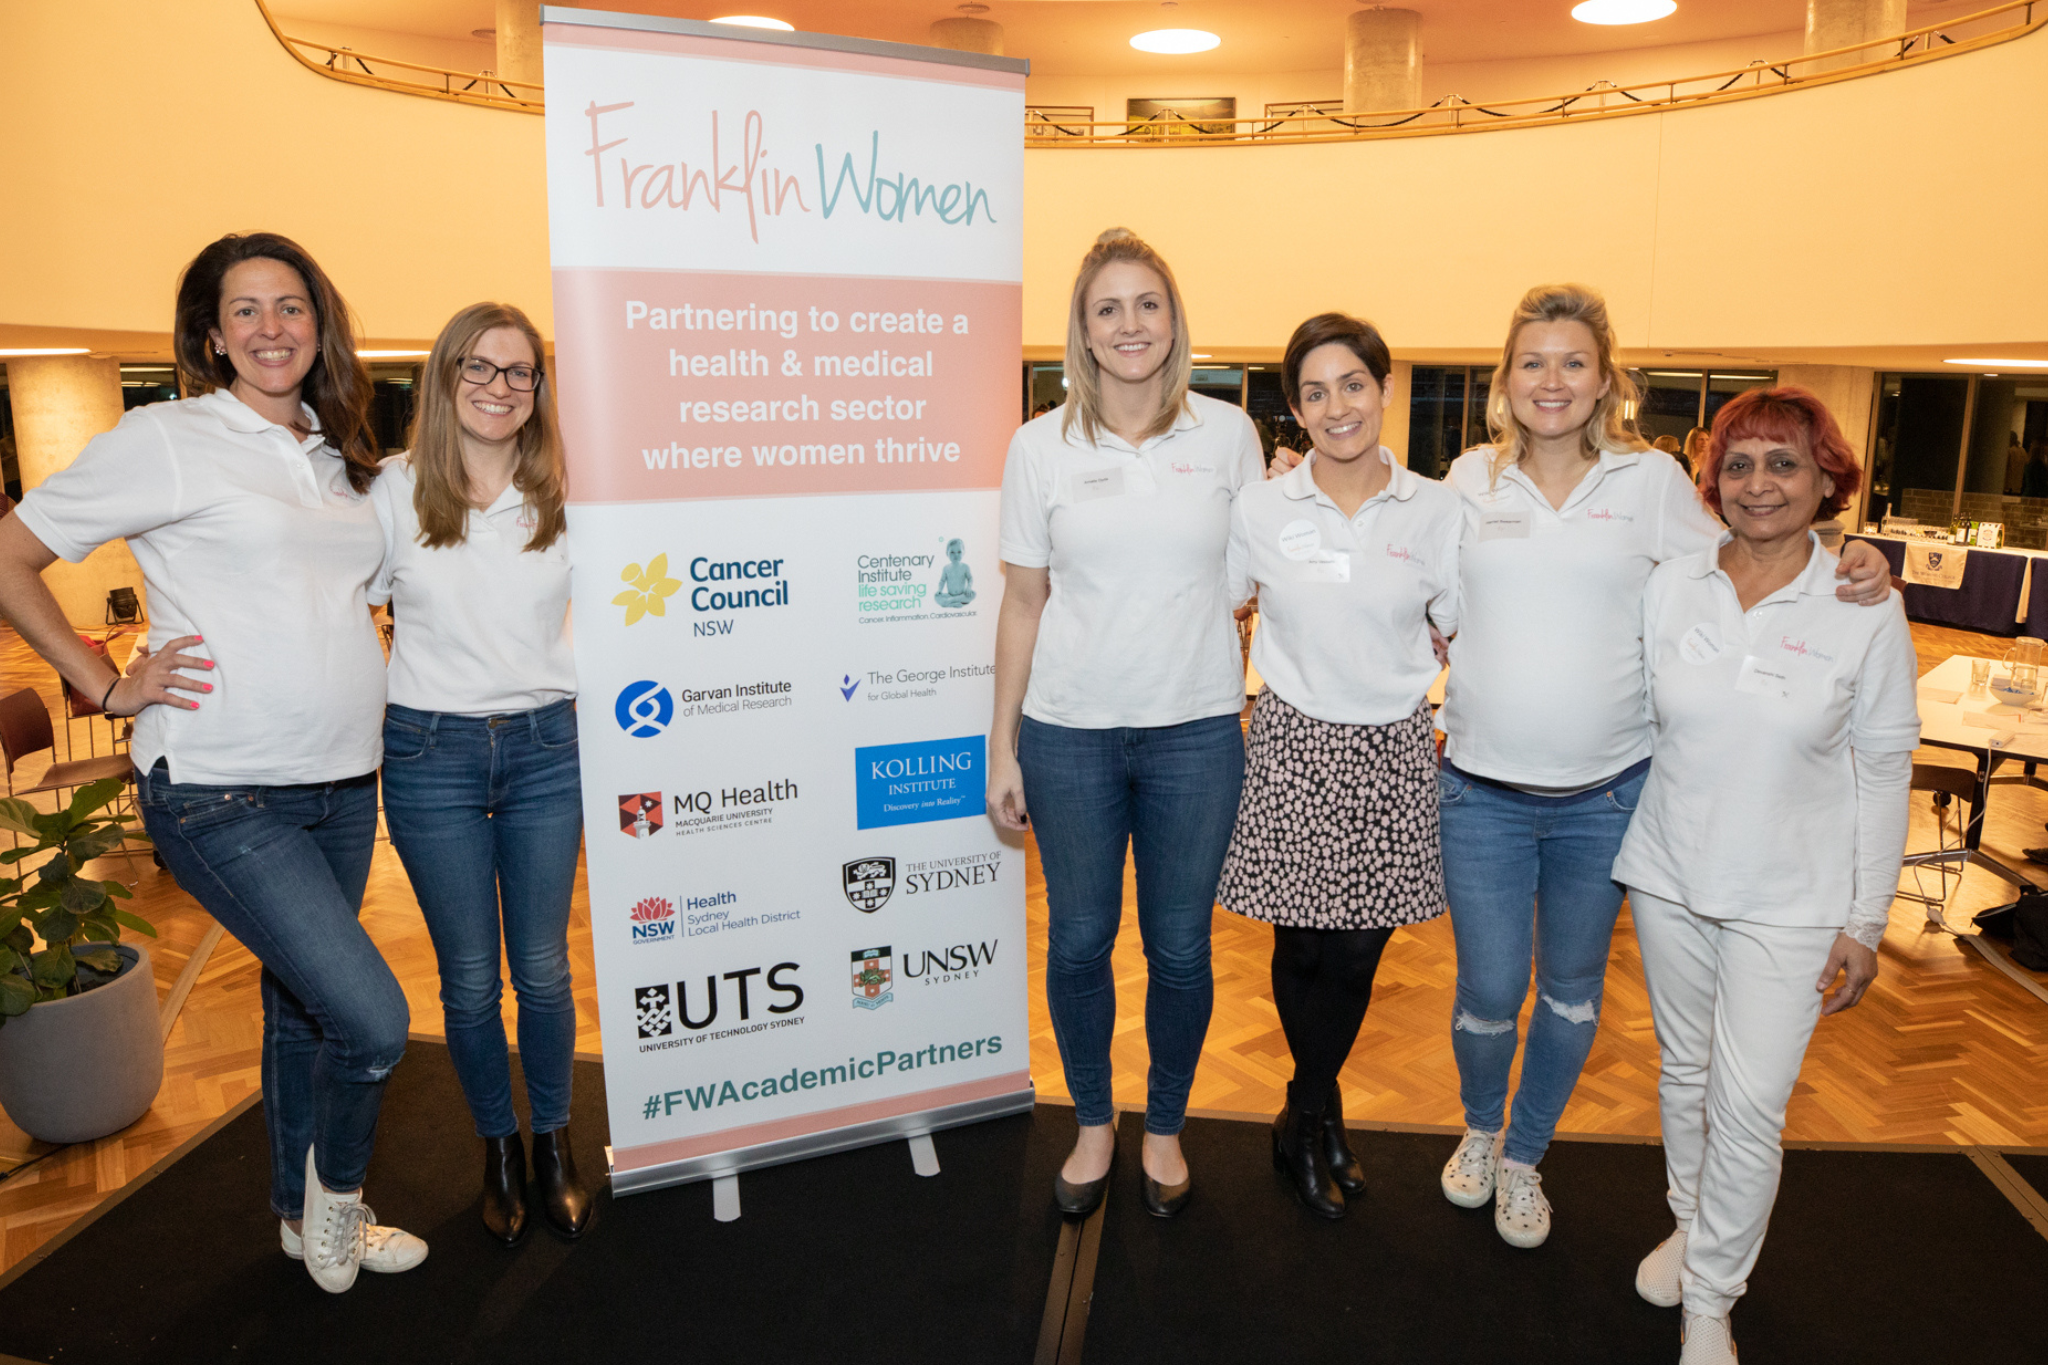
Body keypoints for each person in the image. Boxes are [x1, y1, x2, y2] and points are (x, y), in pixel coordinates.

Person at [1426, 285, 1894, 1249]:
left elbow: (1754, 543)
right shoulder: (1468, 480)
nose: (1552, 380)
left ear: (1606, 380)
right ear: (1506, 379)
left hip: (1605, 800)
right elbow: (1418, 587)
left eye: (1574, 362)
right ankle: (1479, 1127)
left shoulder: (1648, 484)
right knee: (1488, 991)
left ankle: (1525, 1155)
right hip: (1480, 793)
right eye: (1532, 362)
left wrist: (1853, 556)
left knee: (1569, 993)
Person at [0, 232, 424, 1293]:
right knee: (372, 1021)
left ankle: (293, 1213)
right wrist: (104, 685)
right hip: (220, 788)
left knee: (300, 1008)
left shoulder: (335, 451)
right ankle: (338, 1203)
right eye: (246, 310)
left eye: (292, 306)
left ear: (320, 325)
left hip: (342, 783)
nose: (272, 328)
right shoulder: (168, 438)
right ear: (211, 335)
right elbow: (10, 556)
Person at [1614, 387, 1916, 1364]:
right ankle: (1689, 1223)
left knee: (1747, 1105)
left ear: (1827, 479)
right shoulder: (1673, 584)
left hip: (1791, 900)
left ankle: (1711, 1297)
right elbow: (1633, 707)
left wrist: (1865, 921)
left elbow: (1884, 768)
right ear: (1712, 481)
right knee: (1684, 1074)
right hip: (1668, 875)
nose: (1758, 484)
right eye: (1737, 465)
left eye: (1784, 463)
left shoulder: (1864, 605)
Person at [988, 227, 1264, 1219]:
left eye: (1147, 303)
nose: (1130, 323)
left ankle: (1166, 1127)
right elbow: (1022, 602)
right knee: (1078, 942)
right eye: (1108, 307)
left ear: (1173, 320)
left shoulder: (1229, 436)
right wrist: (1001, 745)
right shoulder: (1038, 447)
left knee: (1180, 949)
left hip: (1196, 734)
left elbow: (1251, 578)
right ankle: (1095, 1122)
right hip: (1069, 736)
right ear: (1084, 329)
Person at [1216, 313, 1460, 1218]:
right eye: (1314, 392)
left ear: (1385, 388)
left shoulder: (1437, 508)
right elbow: (1216, 602)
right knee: (1301, 944)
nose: (1337, 406)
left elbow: (1465, 618)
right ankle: (1317, 1116)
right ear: (1295, 407)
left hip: (1392, 746)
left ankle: (1304, 1110)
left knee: (1358, 952)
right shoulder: (1262, 508)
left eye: (1353, 384)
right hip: (1292, 741)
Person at [370, 302, 590, 1245]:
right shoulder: (392, 491)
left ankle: (554, 1142)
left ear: (538, 388)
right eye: (480, 367)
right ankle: (497, 1147)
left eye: (519, 371)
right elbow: (335, 608)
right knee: (467, 982)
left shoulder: (569, 493)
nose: (501, 386)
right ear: (445, 376)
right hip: (431, 757)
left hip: (546, 750)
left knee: (541, 970)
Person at [934, 537, 976, 607]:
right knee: (936, 596)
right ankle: (954, 603)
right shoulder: (946, 568)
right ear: (947, 553)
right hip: (950, 595)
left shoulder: (965, 567)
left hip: (962, 594)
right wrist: (939, 590)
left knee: (973, 594)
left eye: (959, 552)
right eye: (952, 552)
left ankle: (951, 601)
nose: (956, 555)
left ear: (963, 552)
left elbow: (970, 578)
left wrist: (969, 587)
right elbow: (942, 581)